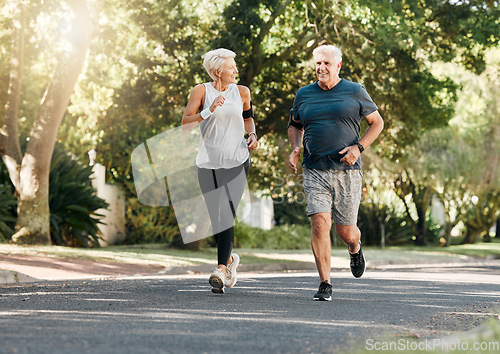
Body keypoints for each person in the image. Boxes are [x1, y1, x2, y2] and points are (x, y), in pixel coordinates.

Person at [288, 45, 384, 301]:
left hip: (347, 170)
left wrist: (359, 147)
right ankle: (325, 283)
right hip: (314, 168)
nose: (321, 68)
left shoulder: (355, 91)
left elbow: (377, 123)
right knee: (320, 222)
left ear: (338, 66)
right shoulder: (303, 94)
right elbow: (295, 125)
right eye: (318, 63)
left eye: (327, 63)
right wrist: (296, 147)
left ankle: (355, 247)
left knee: (345, 231)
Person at [182, 48, 258, 294]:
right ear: (218, 71)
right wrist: (209, 109)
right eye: (231, 66)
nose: (236, 69)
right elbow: (185, 124)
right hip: (208, 164)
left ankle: (219, 269)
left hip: (237, 161)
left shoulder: (242, 92)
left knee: (226, 213)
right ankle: (230, 264)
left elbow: (248, 118)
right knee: (217, 220)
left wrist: (253, 135)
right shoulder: (201, 91)